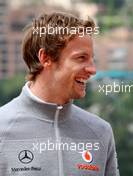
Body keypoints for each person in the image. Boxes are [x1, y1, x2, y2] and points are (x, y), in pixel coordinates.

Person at [0, 12, 119, 176]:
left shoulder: (100, 132)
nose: (92, 70)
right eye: (81, 58)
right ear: (45, 57)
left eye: (92, 59)